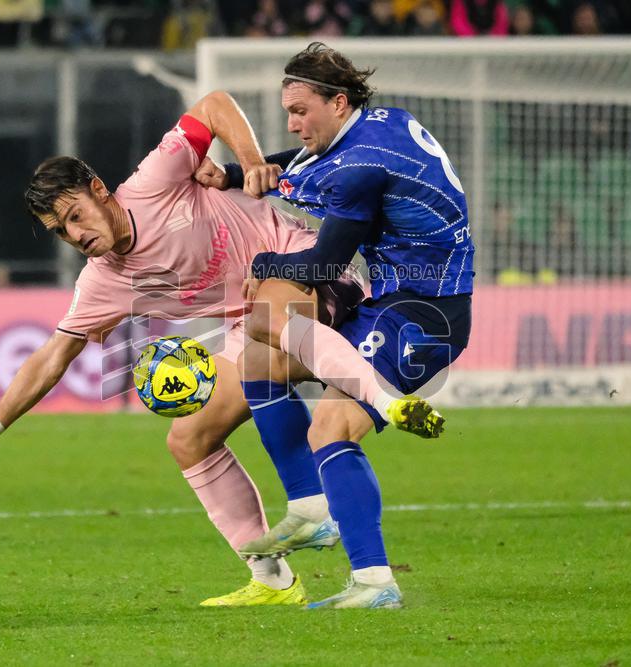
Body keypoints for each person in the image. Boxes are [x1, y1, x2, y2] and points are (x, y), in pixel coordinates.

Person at [0, 90, 370, 608]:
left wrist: (250, 163)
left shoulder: (155, 180)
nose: (74, 235)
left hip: (311, 271)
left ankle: (312, 505)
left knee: (260, 343)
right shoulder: (102, 283)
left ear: (97, 189)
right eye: (60, 232)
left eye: (74, 216)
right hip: (256, 327)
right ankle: (272, 582)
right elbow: (51, 357)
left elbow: (214, 104)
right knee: (189, 439)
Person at [202, 43, 473, 609]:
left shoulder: (360, 167)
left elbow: (322, 265)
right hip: (392, 301)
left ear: (338, 101)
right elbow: (307, 164)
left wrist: (262, 265)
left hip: (425, 314)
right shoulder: (380, 123)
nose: (292, 122)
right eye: (288, 110)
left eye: (301, 111)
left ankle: (375, 583)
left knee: (331, 427)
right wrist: (233, 172)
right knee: (261, 357)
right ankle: (309, 508)